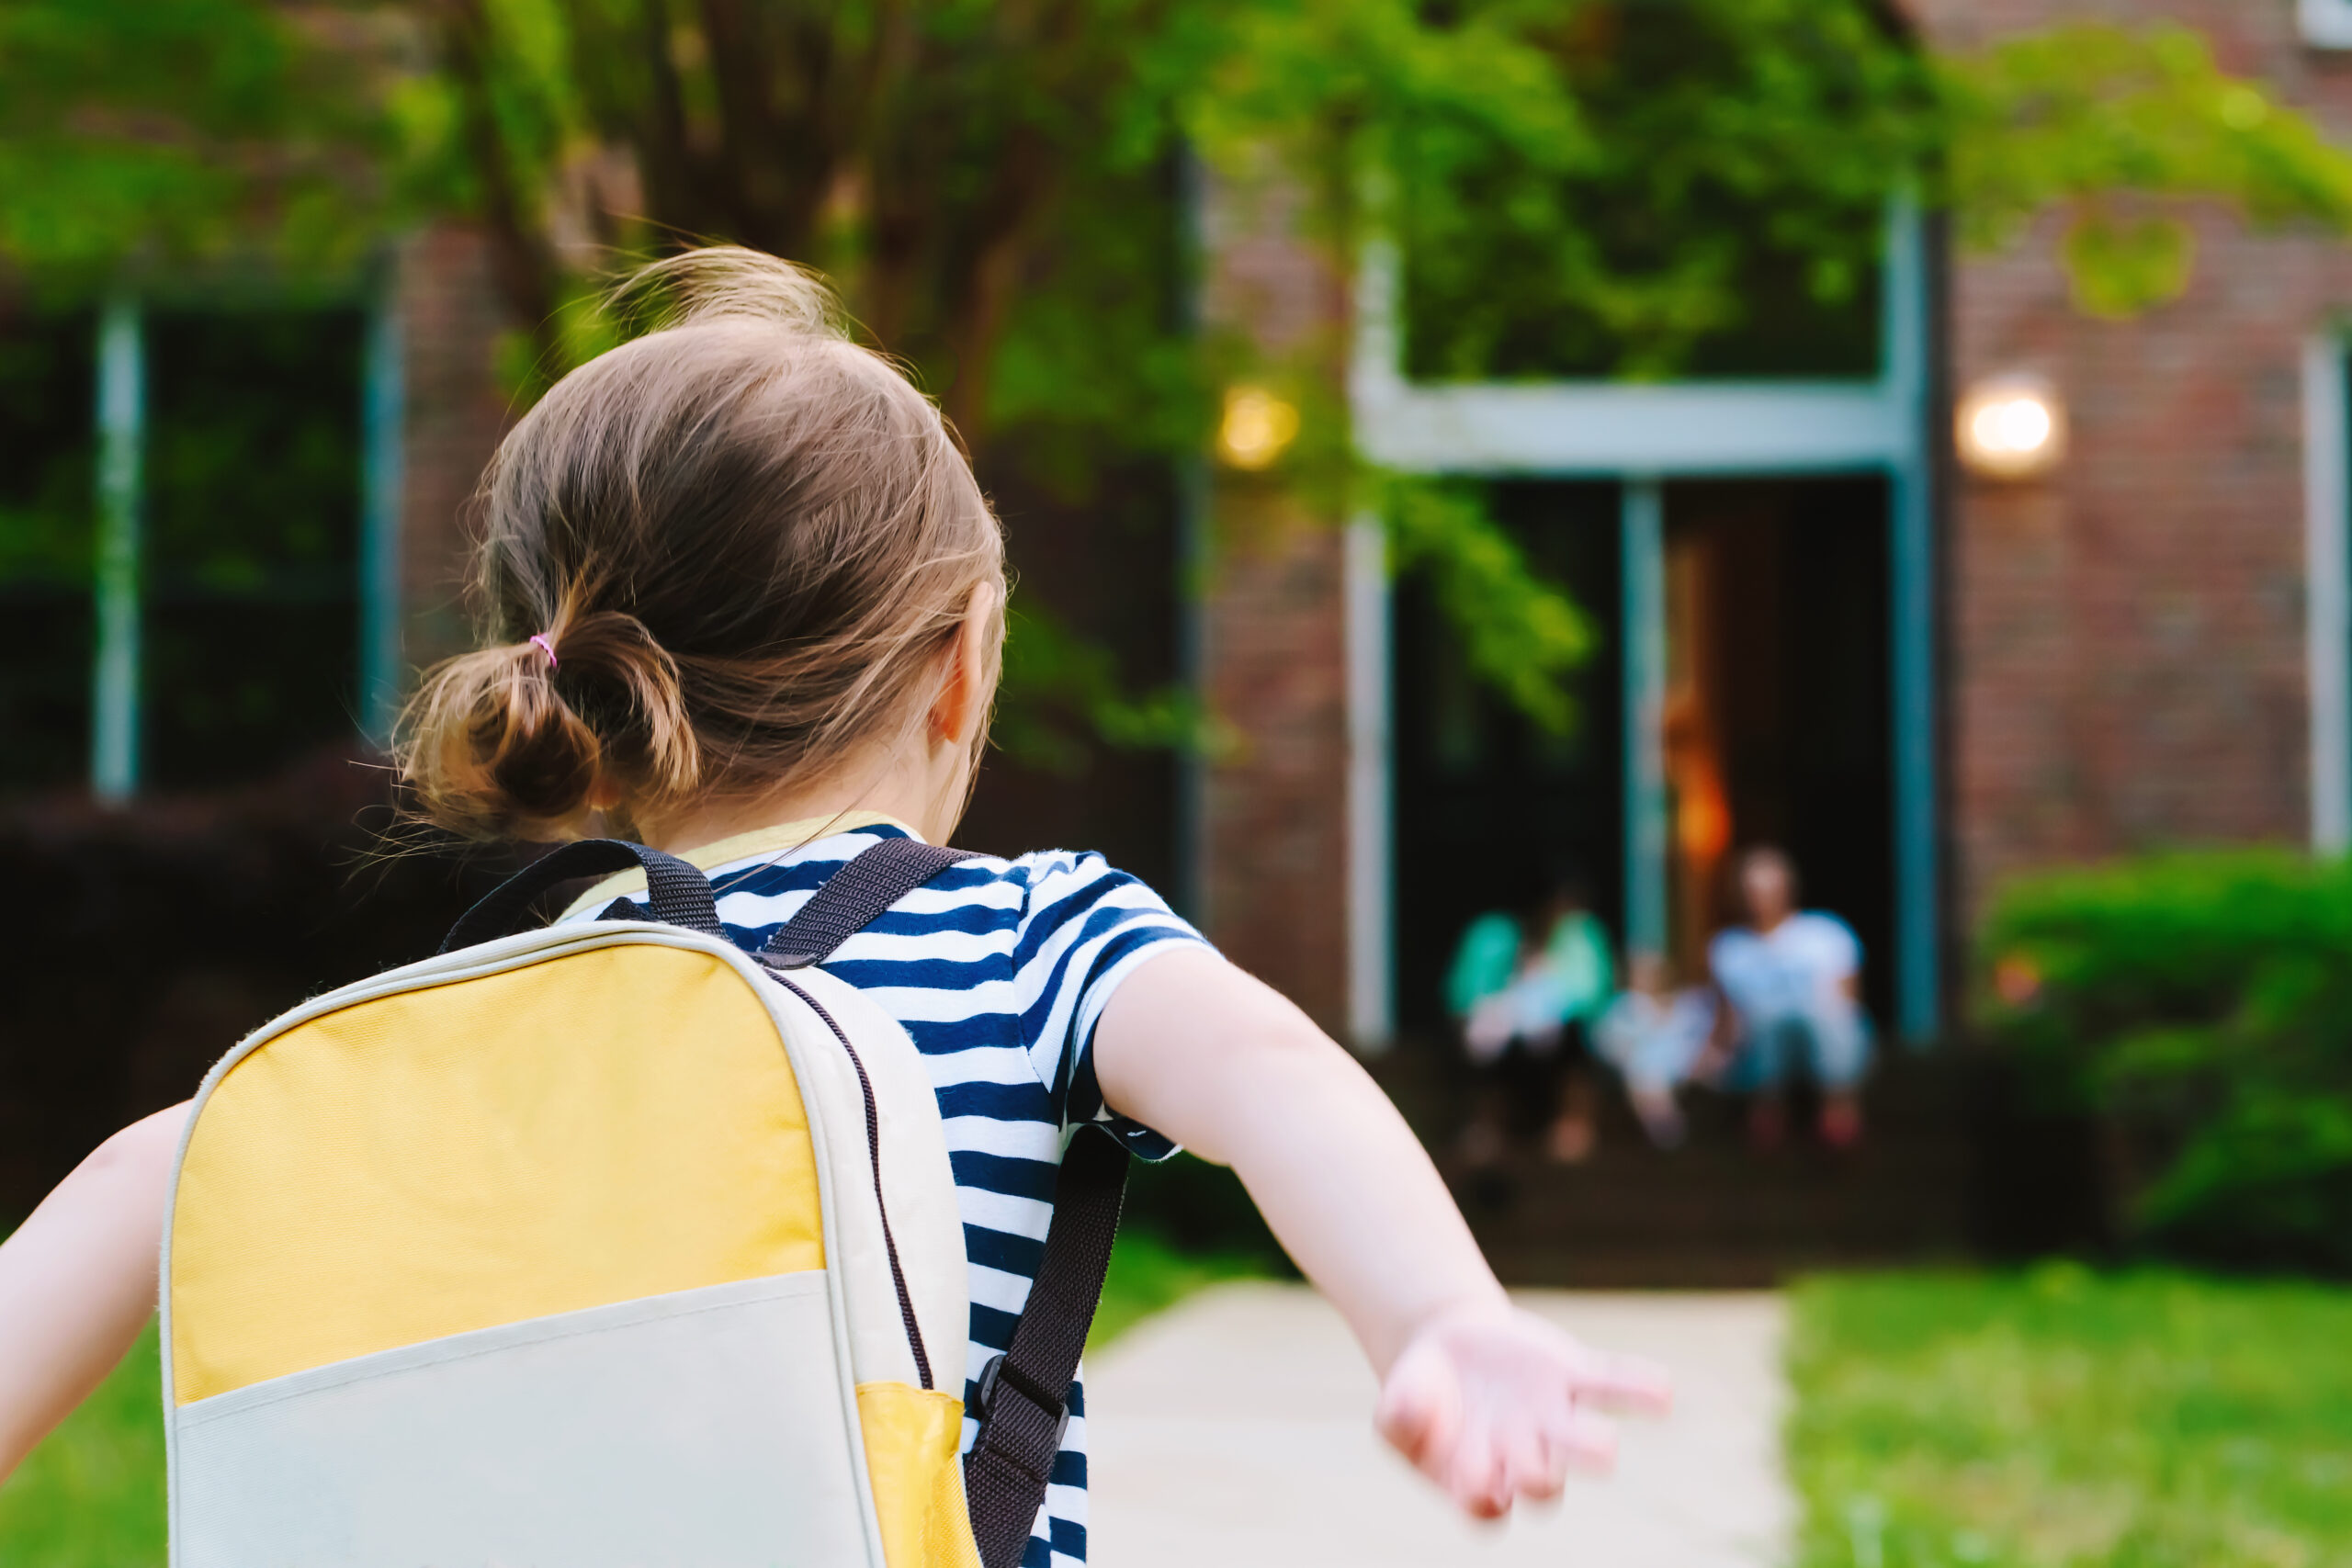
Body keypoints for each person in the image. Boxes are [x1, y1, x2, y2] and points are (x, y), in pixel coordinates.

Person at [0, 250, 1667, 1548]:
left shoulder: (461, 1023)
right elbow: (1274, 1073)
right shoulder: (1033, 938)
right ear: (959, 672)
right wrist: (1436, 1315)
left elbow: (166, 1160)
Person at [1702, 846, 1871, 1149]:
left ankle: (1838, 1111)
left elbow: (1848, 1006)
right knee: (1764, 1020)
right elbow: (1727, 1018)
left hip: (1820, 1039)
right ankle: (1768, 1112)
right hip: (1761, 1048)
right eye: (1751, 889)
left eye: (1768, 889)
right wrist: (1704, 1057)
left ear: (1788, 890)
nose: (1759, 898)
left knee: (1827, 1017)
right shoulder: (1727, 947)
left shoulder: (1826, 934)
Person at [1444, 878, 1614, 1165]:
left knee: (1575, 1044)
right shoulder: (1493, 936)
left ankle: (1571, 1123)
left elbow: (1593, 997)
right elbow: (1464, 995)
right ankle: (1488, 1125)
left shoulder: (1582, 937)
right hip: (1509, 1035)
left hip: (1561, 1036)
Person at [1591, 952, 1716, 1150]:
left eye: (1648, 974)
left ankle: (1664, 1130)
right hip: (1641, 1069)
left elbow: (1703, 1040)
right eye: (1638, 975)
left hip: (1682, 1067)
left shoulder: (1690, 1005)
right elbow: (1607, 1045)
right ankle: (1664, 1129)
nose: (1641, 980)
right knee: (1647, 1077)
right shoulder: (1624, 1008)